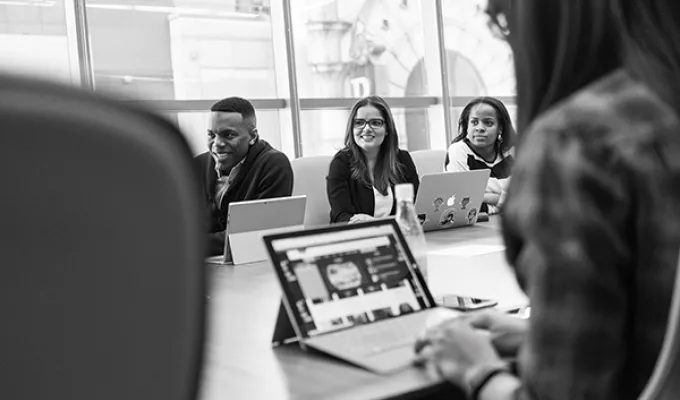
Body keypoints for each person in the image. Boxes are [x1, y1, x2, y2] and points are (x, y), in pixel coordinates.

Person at [415, 0, 680, 399]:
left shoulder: (578, 139)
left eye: (502, 19)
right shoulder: (661, 112)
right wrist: (538, 337)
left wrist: (477, 369)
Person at [195, 97, 293, 255]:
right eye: (211, 135)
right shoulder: (197, 165)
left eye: (228, 135)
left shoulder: (273, 164)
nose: (217, 143)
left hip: (252, 264)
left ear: (253, 136)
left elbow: (253, 235)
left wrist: (192, 244)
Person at [326, 95, 419, 223]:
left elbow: (416, 207)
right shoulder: (341, 163)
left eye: (375, 123)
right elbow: (341, 216)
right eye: (359, 123)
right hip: (358, 238)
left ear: (387, 129)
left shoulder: (402, 159)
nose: (367, 129)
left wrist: (375, 223)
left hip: (399, 236)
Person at [444, 96, 516, 214]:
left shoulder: (511, 151)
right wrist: (503, 200)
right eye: (474, 122)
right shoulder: (458, 150)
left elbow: (524, 194)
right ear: (467, 126)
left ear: (500, 128)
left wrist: (485, 196)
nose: (480, 128)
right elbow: (462, 202)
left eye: (488, 123)